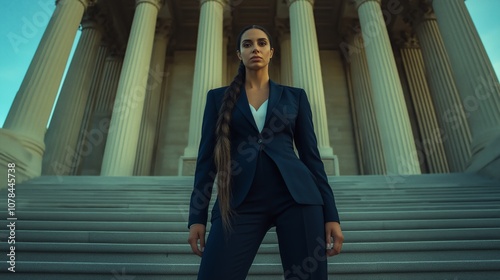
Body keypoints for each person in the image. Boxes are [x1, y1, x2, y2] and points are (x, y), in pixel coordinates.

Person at [187, 24, 343, 280]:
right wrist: (197, 218)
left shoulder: (296, 97)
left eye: (261, 43)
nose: (255, 49)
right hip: (239, 201)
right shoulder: (217, 98)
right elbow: (206, 162)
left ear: (271, 52)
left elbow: (311, 158)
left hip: (298, 199)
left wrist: (331, 215)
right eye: (247, 44)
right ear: (239, 54)